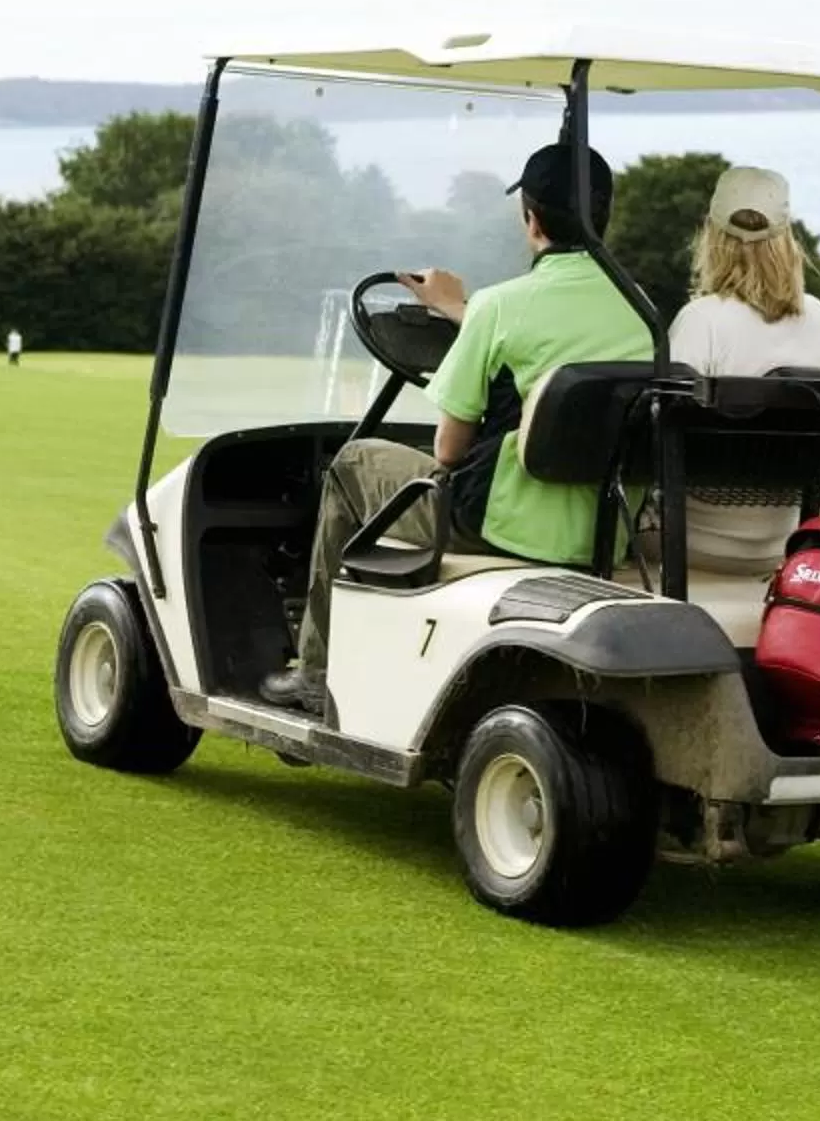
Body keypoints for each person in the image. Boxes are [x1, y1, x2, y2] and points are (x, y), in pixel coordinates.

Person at [261, 141, 651, 713]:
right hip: (600, 531)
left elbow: (447, 450)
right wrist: (460, 311)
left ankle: (318, 671)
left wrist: (466, 312)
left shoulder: (499, 307)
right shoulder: (642, 310)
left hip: (499, 524)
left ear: (531, 218)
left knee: (351, 465)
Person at [662, 165, 820, 571]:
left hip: (692, 540)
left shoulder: (700, 320)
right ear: (786, 240)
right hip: (791, 543)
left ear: (712, 237)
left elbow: (659, 438)